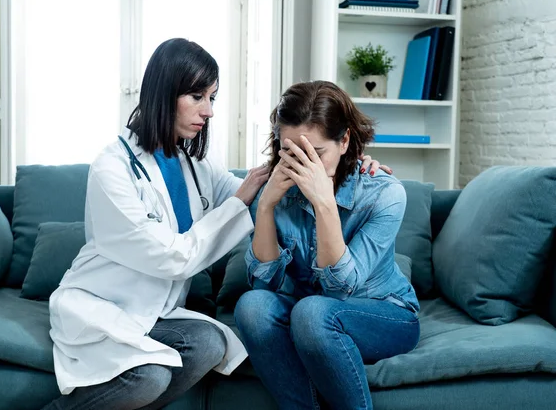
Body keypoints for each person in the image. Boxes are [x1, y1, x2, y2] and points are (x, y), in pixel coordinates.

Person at [42, 39, 387, 410]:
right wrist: (243, 200)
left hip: (153, 314)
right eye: (196, 96)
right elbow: (172, 256)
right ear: (163, 93)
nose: (208, 111)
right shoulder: (113, 168)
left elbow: (256, 188)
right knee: (150, 376)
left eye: (212, 98)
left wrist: (342, 162)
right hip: (103, 306)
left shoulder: (194, 162)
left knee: (210, 344)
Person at [234, 80, 420, 410]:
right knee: (252, 306)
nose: (302, 165)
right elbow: (265, 283)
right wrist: (265, 205)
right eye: (290, 151)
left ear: (345, 140)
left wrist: (324, 202)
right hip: (307, 311)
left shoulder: (384, 194)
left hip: (382, 312)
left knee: (312, 312)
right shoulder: (274, 188)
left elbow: (341, 289)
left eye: (315, 153)